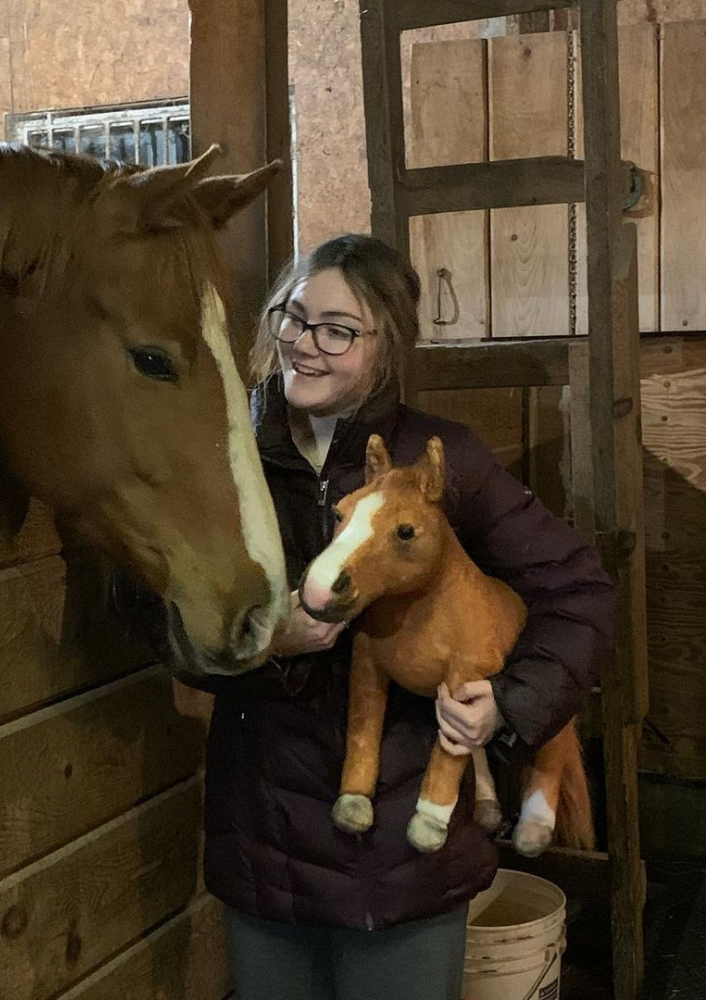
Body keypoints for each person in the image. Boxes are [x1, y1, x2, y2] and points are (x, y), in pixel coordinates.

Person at [130, 234, 616, 1000]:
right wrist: (260, 641)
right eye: (294, 318)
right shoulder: (224, 459)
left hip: (405, 851)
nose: (305, 345)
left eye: (338, 330)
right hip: (267, 832)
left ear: (385, 344)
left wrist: (509, 701)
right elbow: (152, 612)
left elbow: (577, 587)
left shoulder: (440, 464)